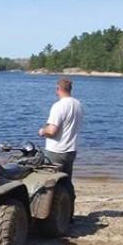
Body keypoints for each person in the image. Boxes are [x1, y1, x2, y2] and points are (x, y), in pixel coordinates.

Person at [38, 77, 84, 219]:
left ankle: (50, 216)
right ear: (70, 89)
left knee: (50, 184)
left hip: (56, 151)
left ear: (58, 89)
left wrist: (42, 131)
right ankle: (68, 215)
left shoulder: (58, 106)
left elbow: (52, 130)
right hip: (71, 150)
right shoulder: (78, 104)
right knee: (66, 182)